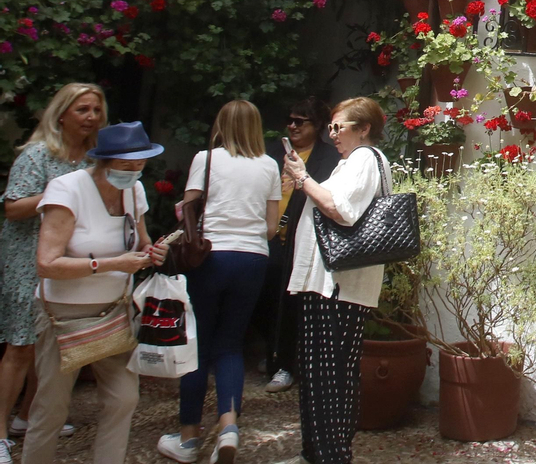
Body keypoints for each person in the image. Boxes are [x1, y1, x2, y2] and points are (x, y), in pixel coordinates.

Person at [25, 121, 169, 464]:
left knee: (123, 399)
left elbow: (142, 242)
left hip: (115, 311)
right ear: (103, 162)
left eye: (140, 165)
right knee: (52, 408)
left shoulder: (134, 191)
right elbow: (46, 263)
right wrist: (111, 263)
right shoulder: (67, 189)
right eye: (125, 166)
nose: (134, 172)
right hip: (64, 316)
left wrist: (154, 252)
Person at [156, 101, 279, 464]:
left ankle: (189, 438)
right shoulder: (269, 165)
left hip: (210, 257)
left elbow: (189, 209)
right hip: (254, 258)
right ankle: (228, 428)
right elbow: (271, 227)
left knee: (198, 345)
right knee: (230, 345)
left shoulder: (205, 159)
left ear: (222, 125)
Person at [282, 97, 391, 464]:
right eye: (330, 127)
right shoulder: (352, 161)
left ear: (364, 129)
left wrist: (302, 178)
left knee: (329, 379)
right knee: (320, 375)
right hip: (329, 284)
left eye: (338, 127)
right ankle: (316, 454)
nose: (332, 134)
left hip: (337, 287)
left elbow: (342, 210)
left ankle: (329, 455)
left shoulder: (364, 159)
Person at [0, 85, 105, 464]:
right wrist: (59, 193)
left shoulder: (96, 160)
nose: (91, 116)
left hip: (68, 260)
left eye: (96, 110)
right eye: (82, 109)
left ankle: (29, 418)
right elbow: (13, 208)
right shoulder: (38, 155)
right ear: (62, 115)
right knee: (21, 345)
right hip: (28, 257)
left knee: (53, 344)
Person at [260, 98, 335, 395]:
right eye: (289, 120)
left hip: (300, 239)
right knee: (264, 298)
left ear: (316, 127)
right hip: (266, 236)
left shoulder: (327, 158)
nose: (292, 126)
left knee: (290, 303)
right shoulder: (273, 154)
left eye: (299, 121)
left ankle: (285, 363)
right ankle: (270, 352)